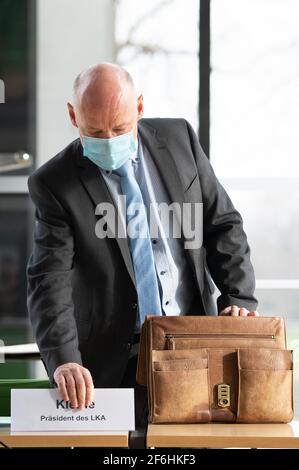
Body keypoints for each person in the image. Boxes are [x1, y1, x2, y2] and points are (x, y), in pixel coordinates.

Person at [27, 63, 258, 428]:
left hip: (193, 349)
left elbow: (222, 224)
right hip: (113, 362)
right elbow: (48, 281)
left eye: (119, 129)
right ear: (73, 116)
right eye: (94, 131)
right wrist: (65, 359)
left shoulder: (180, 139)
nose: (108, 141)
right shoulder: (55, 183)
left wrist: (238, 297)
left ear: (139, 107)